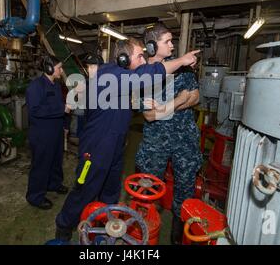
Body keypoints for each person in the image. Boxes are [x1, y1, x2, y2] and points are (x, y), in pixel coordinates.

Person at [55, 37, 200, 241]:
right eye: (140, 56)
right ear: (123, 58)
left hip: (116, 144)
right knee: (85, 188)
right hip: (96, 146)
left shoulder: (122, 77)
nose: (143, 60)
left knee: (111, 190)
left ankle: (104, 226)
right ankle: (63, 224)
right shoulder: (112, 75)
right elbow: (149, 75)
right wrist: (181, 60)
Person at [135, 23, 203, 244]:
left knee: (185, 189)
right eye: (168, 41)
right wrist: (179, 100)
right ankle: (145, 234)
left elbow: (195, 97)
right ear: (152, 46)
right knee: (148, 188)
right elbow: (149, 116)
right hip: (156, 142)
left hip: (185, 139)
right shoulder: (142, 76)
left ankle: (178, 237)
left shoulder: (183, 69)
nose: (173, 46)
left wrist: (165, 107)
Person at [25, 55, 70, 210]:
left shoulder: (56, 85)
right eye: (59, 67)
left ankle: (54, 184)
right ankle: (35, 197)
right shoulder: (35, 87)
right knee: (41, 164)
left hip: (56, 131)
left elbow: (59, 106)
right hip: (42, 134)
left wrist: (65, 125)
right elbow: (35, 111)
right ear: (50, 69)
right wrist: (61, 109)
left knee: (56, 160)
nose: (61, 70)